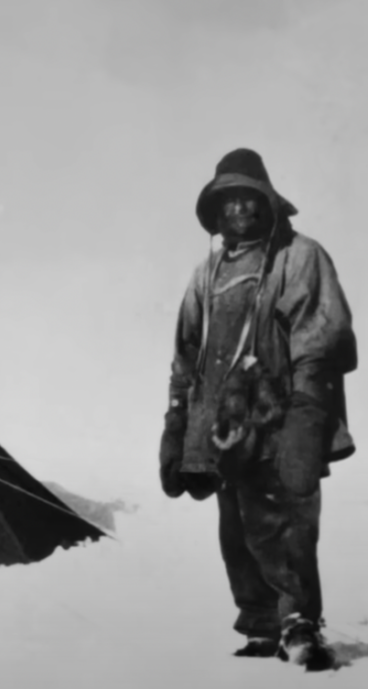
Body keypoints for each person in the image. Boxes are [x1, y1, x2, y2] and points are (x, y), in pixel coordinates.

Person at [160, 148, 357, 671]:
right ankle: (262, 624)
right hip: (223, 430)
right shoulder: (206, 273)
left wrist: (306, 419)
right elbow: (185, 354)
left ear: (267, 201)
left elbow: (321, 339)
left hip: (280, 421)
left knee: (287, 526)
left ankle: (299, 626)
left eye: (249, 196)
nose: (240, 208)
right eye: (229, 199)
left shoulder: (299, 255)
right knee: (238, 531)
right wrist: (177, 425)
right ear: (216, 211)